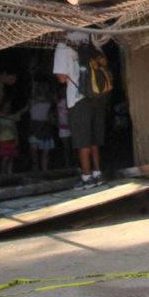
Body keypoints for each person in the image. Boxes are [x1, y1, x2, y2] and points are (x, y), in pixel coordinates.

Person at [53, 31, 107, 187]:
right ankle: (98, 173)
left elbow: (62, 77)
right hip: (97, 95)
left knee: (82, 138)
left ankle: (86, 177)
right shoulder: (91, 37)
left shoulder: (63, 44)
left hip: (78, 97)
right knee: (94, 137)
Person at [27, 80, 56, 172]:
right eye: (43, 87)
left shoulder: (49, 99)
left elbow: (50, 112)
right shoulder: (32, 100)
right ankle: (35, 168)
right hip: (35, 126)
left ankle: (44, 171)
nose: (44, 89)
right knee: (34, 151)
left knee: (45, 153)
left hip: (45, 126)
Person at [0, 94, 27, 175]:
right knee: (5, 158)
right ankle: (2, 174)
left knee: (11, 158)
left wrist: (17, 139)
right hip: (3, 140)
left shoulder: (12, 117)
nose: (7, 107)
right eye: (5, 106)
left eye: (8, 106)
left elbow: (21, 113)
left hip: (11, 139)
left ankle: (10, 174)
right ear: (2, 106)